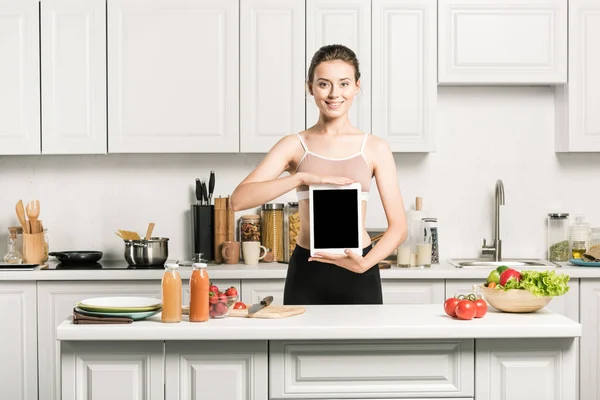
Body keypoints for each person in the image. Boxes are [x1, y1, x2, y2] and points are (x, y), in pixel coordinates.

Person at [230, 44, 407, 305]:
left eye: (344, 84)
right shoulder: (294, 145)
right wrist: (300, 178)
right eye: (324, 84)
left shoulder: (374, 148)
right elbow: (238, 200)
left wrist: (365, 264)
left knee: (361, 347)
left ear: (357, 86)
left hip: (359, 267)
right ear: (310, 87)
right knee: (297, 347)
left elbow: (399, 227)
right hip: (307, 270)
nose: (334, 94)